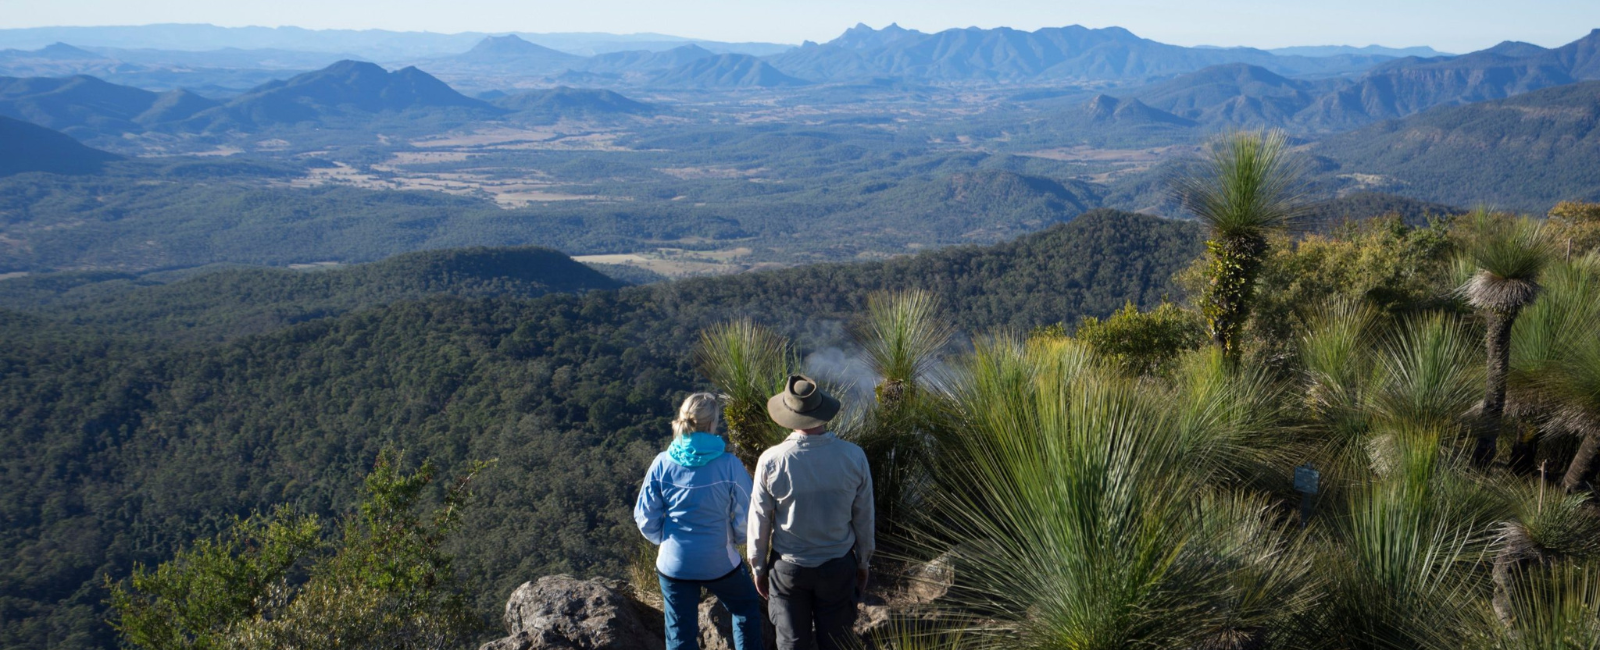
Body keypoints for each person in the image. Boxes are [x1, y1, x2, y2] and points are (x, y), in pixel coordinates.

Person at [748, 375, 874, 650]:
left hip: (788, 570)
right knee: (837, 642)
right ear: (822, 412)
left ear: (789, 415)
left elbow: (759, 519)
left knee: (792, 644)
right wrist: (863, 562)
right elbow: (864, 516)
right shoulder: (853, 456)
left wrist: (758, 566)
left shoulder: (771, 460)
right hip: (838, 566)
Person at [635, 393, 764, 650]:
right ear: (712, 424)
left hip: (674, 563)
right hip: (719, 560)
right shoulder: (729, 464)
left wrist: (666, 540)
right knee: (746, 608)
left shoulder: (662, 462)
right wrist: (736, 539)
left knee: (680, 634)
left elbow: (644, 515)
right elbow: (748, 513)